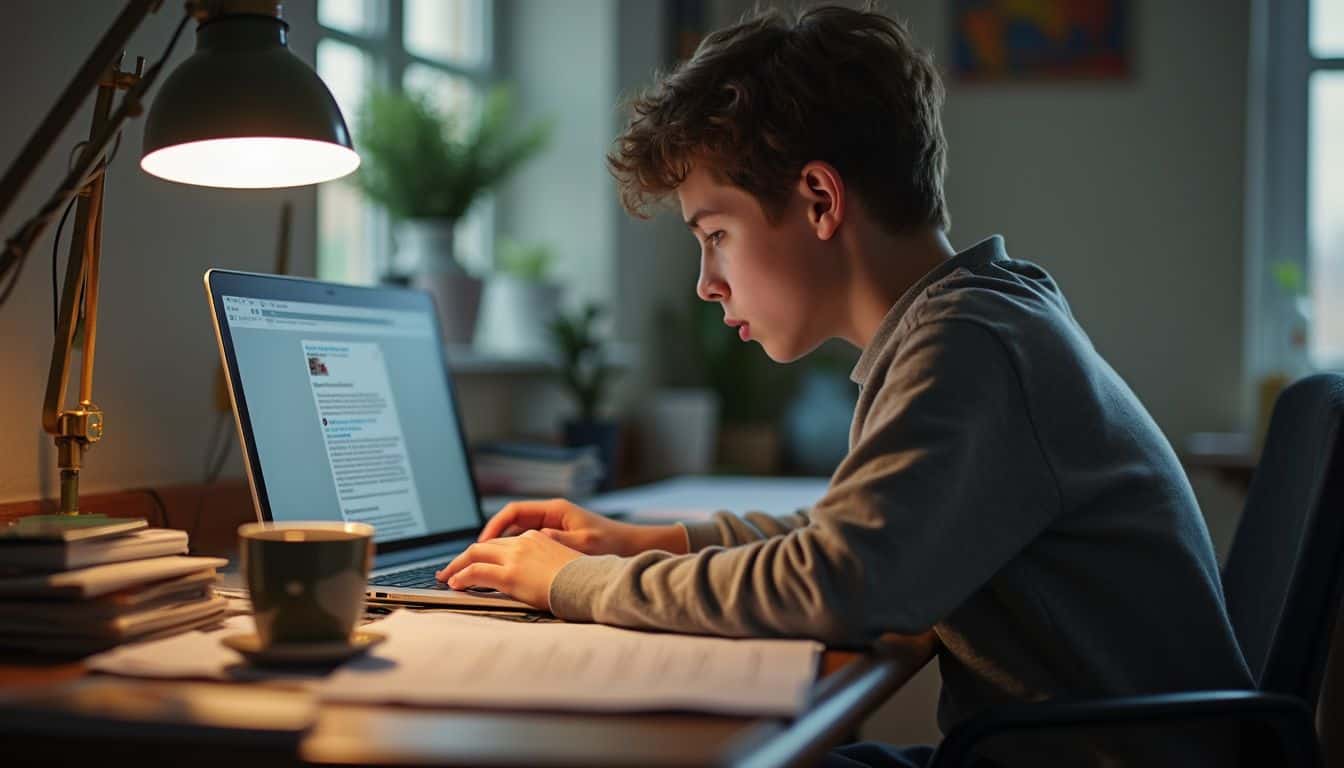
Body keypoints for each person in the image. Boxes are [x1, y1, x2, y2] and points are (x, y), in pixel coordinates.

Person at [437, 4, 1251, 765]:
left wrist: (576, 582)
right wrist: (650, 541)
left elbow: (839, 581)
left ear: (820, 199)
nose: (705, 283)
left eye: (716, 235)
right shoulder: (984, 315)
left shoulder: (968, 345)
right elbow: (855, 532)